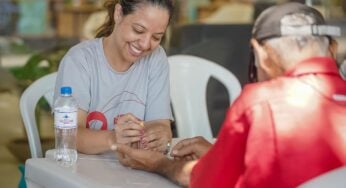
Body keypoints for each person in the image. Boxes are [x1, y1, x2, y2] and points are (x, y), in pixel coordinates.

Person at [114, 2, 346, 187]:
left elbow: (206, 182)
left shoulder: (259, 103)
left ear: (261, 54)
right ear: (332, 49)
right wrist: (218, 154)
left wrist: (159, 164)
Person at [54, 0, 175, 155]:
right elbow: (68, 136)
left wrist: (161, 136)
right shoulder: (80, 59)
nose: (145, 44)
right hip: (82, 170)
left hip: (132, 172)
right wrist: (113, 138)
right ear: (118, 13)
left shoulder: (156, 58)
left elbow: (160, 124)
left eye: (157, 37)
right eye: (138, 30)